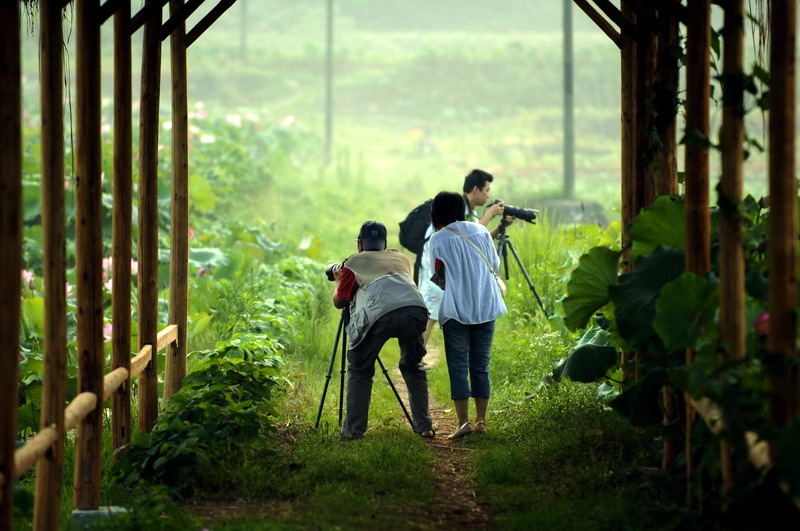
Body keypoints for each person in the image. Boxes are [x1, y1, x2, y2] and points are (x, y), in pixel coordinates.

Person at [332, 221, 434, 440]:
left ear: (360, 244)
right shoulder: (401, 259)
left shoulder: (353, 262)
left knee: (359, 368)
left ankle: (353, 432)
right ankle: (424, 426)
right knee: (413, 365)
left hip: (381, 315)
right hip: (415, 311)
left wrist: (339, 280)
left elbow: (340, 301)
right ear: (385, 244)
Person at [428, 192, 507, 440]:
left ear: (437, 213)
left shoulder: (437, 239)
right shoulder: (481, 231)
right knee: (481, 365)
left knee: (459, 367)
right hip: (486, 306)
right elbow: (494, 264)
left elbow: (438, 277)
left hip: (456, 310)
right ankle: (481, 421)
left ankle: (463, 424)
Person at [417, 169, 512, 346]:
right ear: (476, 189)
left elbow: (477, 242)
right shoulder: (458, 210)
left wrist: (499, 228)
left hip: (449, 272)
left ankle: (416, 358)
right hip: (439, 269)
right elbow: (470, 234)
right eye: (486, 190)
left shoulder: (471, 212)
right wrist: (490, 214)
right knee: (430, 316)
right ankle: (415, 359)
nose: (488, 195)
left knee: (434, 316)